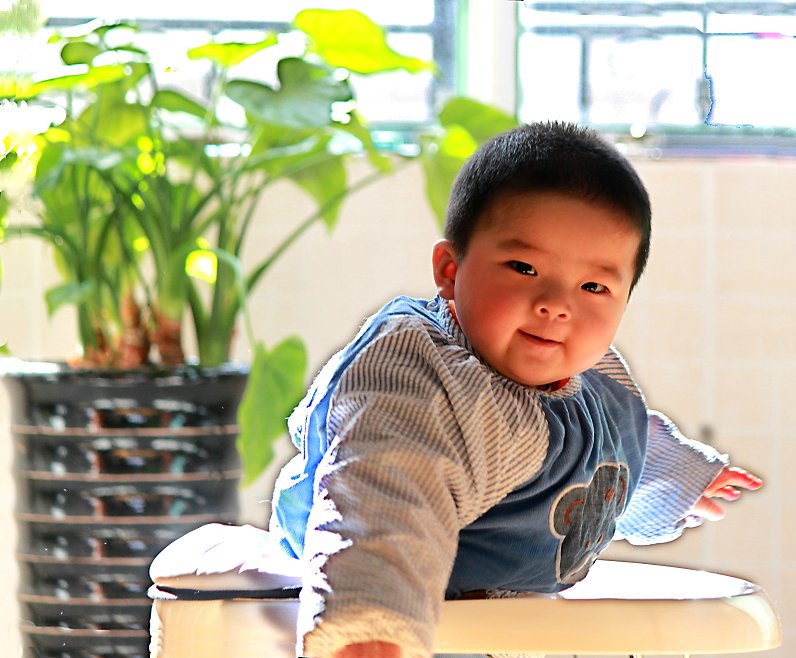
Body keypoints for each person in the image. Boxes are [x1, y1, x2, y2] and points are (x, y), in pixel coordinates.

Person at [267, 121, 762, 658]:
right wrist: (369, 629)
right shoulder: (420, 375)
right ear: (450, 270)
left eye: (593, 285)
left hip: (507, 610)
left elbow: (606, 452)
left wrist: (679, 480)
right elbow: (382, 494)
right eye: (525, 267)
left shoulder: (594, 371)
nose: (556, 304)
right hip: (395, 602)